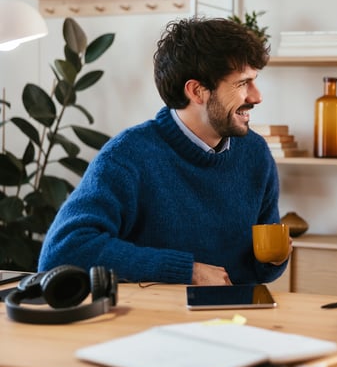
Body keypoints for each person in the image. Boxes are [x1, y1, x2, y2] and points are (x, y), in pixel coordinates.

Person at [38, 17, 290, 286]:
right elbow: (63, 252)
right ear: (197, 91)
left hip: (236, 318)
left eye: (254, 80)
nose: (257, 96)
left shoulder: (255, 153)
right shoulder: (128, 155)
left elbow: (259, 270)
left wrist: (275, 259)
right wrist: (186, 270)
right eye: (242, 83)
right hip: (156, 319)